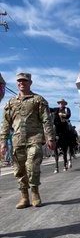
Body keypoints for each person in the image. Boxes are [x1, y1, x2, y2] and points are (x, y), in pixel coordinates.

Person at [0, 73, 56, 208]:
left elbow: (46, 120)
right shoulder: (10, 103)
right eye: (19, 81)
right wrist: (2, 142)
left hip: (34, 138)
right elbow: (5, 124)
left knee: (32, 166)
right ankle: (24, 197)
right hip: (17, 140)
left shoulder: (38, 100)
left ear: (30, 83)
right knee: (19, 169)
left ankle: (35, 194)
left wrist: (50, 137)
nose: (21, 83)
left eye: (24, 81)